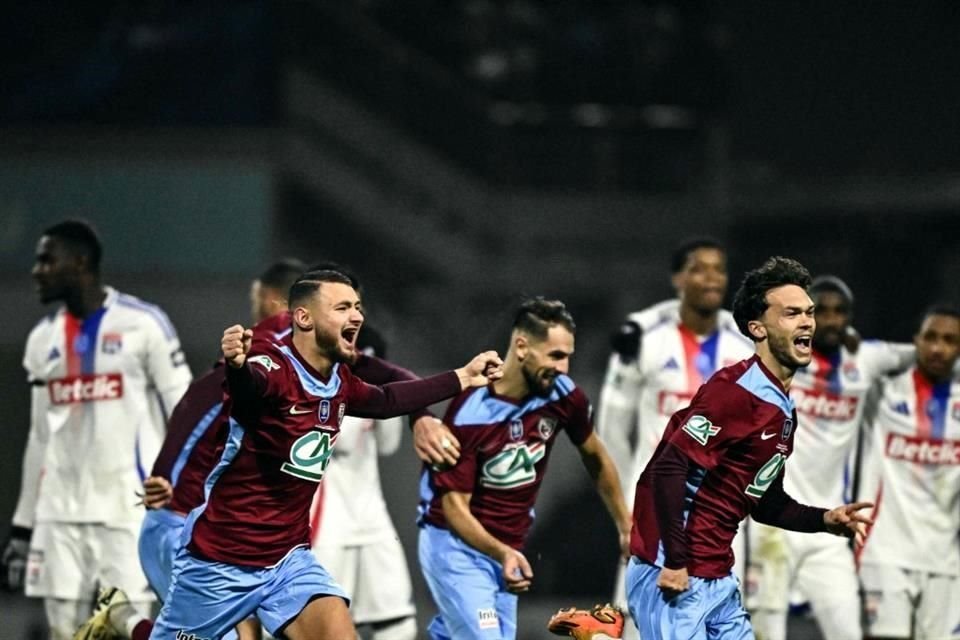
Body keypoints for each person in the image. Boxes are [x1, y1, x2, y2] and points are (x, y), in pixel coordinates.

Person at [148, 269, 503, 639]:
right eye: (343, 307)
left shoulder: (339, 382)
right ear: (303, 317)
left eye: (358, 307)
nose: (357, 317)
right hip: (220, 562)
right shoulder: (272, 366)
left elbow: (387, 399)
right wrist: (237, 368)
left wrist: (462, 376)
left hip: (288, 562)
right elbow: (250, 388)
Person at [625, 256, 872, 640]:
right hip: (674, 574)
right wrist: (674, 561)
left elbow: (766, 504)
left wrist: (824, 519)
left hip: (718, 577)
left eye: (808, 313)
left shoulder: (781, 407)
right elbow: (667, 469)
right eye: (791, 313)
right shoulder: (735, 393)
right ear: (758, 328)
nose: (808, 321)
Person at [0, 220, 192, 639]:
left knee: (126, 627)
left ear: (80, 262)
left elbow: (186, 410)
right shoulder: (41, 340)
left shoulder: (144, 325)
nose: (37, 270)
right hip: (58, 516)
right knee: (64, 632)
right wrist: (22, 525)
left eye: (47, 260)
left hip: (126, 511)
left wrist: (187, 494)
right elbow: (39, 436)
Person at [418, 297, 632, 640]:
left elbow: (595, 455)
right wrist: (502, 553)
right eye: (555, 356)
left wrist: (625, 524)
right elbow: (453, 508)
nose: (563, 368)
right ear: (521, 347)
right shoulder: (471, 411)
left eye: (568, 357)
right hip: (456, 546)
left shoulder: (562, 395)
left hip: (508, 549)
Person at [596, 238, 754, 637]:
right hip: (653, 511)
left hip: (719, 515)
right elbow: (612, 428)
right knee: (636, 620)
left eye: (718, 269)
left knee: (715, 620)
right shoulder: (643, 338)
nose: (711, 278)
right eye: (699, 268)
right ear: (678, 278)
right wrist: (627, 504)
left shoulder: (745, 346)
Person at [749, 275, 914, 640]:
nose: (831, 319)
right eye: (820, 312)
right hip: (773, 524)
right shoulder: (780, 354)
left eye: (840, 312)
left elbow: (921, 354)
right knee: (764, 632)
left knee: (847, 633)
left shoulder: (864, 359)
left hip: (829, 524)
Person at [857, 306, 960, 640]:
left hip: (946, 559)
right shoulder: (881, 393)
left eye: (949, 340)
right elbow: (853, 358)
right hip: (885, 552)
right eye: (930, 337)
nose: (937, 348)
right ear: (915, 341)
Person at [309, 326, 418, 640]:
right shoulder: (313, 383)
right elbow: (338, 440)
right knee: (324, 629)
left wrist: (385, 394)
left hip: (372, 521)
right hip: (326, 527)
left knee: (398, 626)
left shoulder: (371, 343)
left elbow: (387, 445)